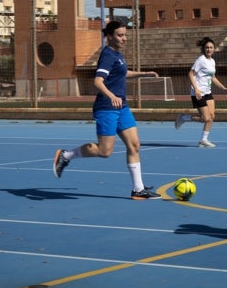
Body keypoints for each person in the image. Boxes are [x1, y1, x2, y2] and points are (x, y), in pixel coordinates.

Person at [52, 20, 161, 199]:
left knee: (134, 145)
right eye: (120, 35)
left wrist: (143, 73)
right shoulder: (108, 55)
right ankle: (66, 155)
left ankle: (138, 189)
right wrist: (112, 96)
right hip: (107, 108)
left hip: (122, 107)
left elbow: (122, 73)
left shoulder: (117, 55)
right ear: (109, 36)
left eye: (125, 35)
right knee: (105, 151)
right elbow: (98, 81)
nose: (124, 38)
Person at [174, 36, 227, 148]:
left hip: (207, 92)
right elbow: (190, 74)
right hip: (198, 93)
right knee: (206, 118)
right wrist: (196, 89)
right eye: (207, 47)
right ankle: (183, 118)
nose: (209, 49)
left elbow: (213, 78)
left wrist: (223, 88)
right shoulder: (201, 60)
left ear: (214, 49)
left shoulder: (212, 61)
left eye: (211, 47)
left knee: (211, 117)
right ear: (204, 49)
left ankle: (203, 141)